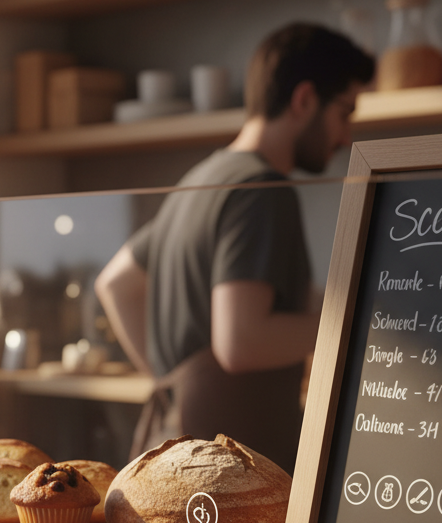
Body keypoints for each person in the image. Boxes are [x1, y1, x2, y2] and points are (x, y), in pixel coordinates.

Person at [96, 24, 375, 473]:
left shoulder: (200, 178)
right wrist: (358, 321)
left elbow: (116, 283)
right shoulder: (262, 188)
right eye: (345, 113)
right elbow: (240, 341)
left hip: (177, 457)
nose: (345, 136)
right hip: (229, 470)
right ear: (305, 100)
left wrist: (172, 380)